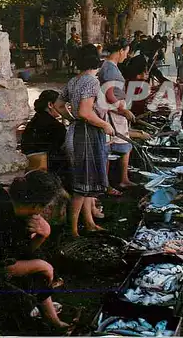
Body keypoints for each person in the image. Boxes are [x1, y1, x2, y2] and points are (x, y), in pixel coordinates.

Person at [0, 171, 71, 333]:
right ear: (37, 206)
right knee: (21, 302)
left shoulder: (16, 205)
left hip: (1, 262)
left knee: (40, 261)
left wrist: (42, 236)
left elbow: (22, 252)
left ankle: (53, 321)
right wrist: (42, 266)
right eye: (43, 208)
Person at [59, 45, 114, 237]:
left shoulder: (74, 80)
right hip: (87, 134)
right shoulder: (91, 81)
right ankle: (73, 231)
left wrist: (70, 118)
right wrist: (104, 125)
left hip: (76, 131)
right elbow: (84, 112)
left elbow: (59, 104)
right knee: (82, 186)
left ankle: (89, 222)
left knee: (85, 181)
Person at [98, 39, 137, 192]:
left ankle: (122, 179)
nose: (126, 56)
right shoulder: (109, 68)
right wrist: (123, 110)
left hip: (116, 111)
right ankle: (108, 184)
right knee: (111, 149)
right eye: (126, 53)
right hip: (114, 113)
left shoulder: (110, 66)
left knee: (123, 146)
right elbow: (109, 95)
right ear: (121, 50)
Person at [21, 90, 71, 188]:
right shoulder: (55, 126)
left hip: (33, 165)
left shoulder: (36, 119)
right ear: (50, 105)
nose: (63, 109)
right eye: (61, 106)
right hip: (49, 167)